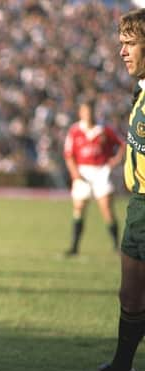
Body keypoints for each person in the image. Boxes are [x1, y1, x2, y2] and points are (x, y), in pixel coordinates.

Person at [85, 9, 145, 371]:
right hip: (139, 205)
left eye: (131, 43)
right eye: (121, 43)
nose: (122, 51)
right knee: (131, 292)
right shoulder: (141, 91)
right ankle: (122, 370)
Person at [63, 99, 125, 256]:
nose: (87, 115)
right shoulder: (75, 130)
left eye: (89, 111)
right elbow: (69, 155)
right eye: (84, 111)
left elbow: (123, 145)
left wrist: (114, 161)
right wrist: (74, 173)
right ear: (80, 113)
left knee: (106, 209)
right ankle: (74, 246)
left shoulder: (104, 129)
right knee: (79, 208)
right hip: (82, 171)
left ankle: (116, 245)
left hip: (101, 171)